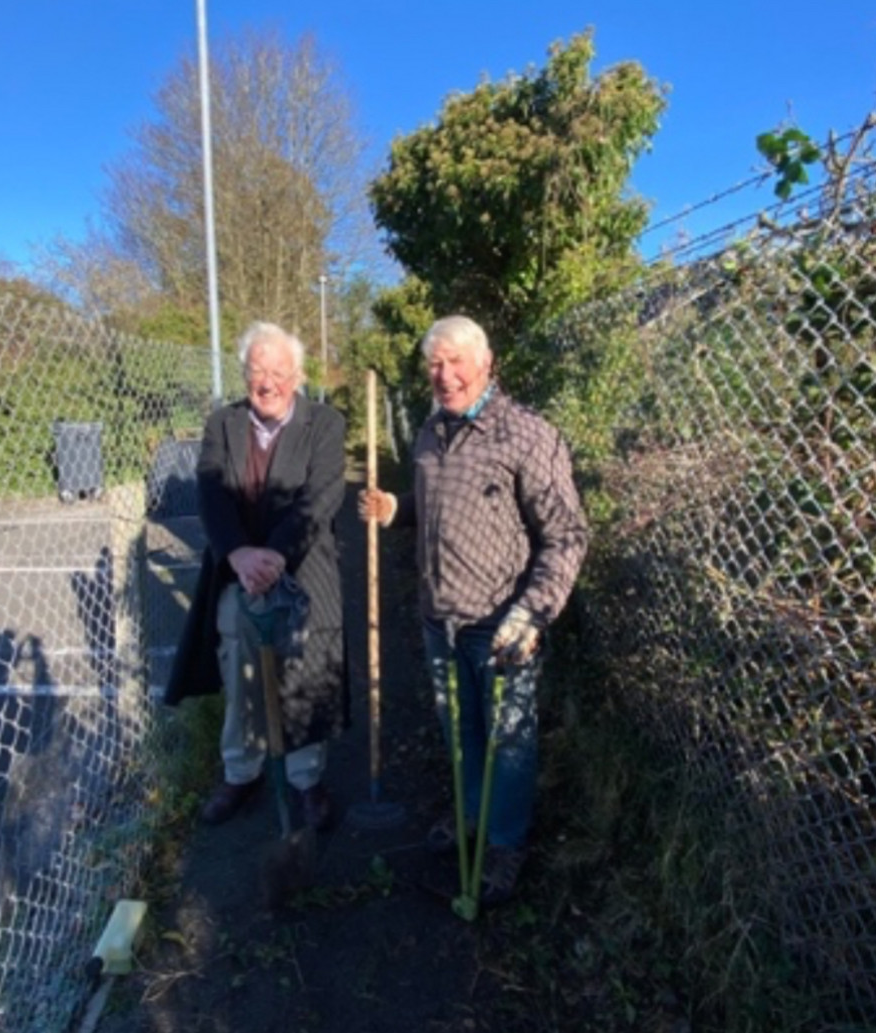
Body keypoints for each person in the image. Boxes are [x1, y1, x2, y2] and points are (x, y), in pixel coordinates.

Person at [359, 314, 588, 904]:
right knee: (460, 732)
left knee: (508, 739)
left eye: (456, 360)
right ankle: (470, 817)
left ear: (486, 363)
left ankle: (505, 842)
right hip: (441, 621)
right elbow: (438, 506)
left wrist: (533, 613)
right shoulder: (431, 431)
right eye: (435, 363)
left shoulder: (526, 436)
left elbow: (567, 536)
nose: (445, 373)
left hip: (502, 623)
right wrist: (396, 509)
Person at [165, 320, 348, 832]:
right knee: (239, 666)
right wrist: (240, 555)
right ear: (243, 374)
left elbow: (322, 497)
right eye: (255, 371)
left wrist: (275, 556)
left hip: (304, 565)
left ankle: (306, 778)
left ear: (298, 375)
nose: (265, 382)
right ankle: (240, 772)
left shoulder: (325, 424)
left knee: (306, 672)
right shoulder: (223, 424)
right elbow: (211, 494)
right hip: (238, 570)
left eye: (277, 372)